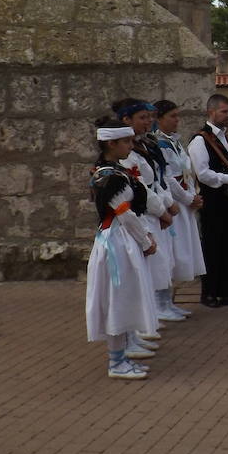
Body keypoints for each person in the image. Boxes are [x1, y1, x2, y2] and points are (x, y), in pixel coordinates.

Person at [86, 118, 159, 379]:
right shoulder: (108, 177)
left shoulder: (116, 171)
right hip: (117, 242)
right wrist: (145, 240)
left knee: (126, 296)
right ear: (111, 143)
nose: (131, 145)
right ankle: (116, 363)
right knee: (117, 298)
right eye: (126, 141)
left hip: (123, 239)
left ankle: (125, 351)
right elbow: (123, 213)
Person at [114, 98, 182, 336]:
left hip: (154, 211)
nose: (148, 122)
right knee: (146, 270)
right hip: (143, 214)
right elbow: (142, 188)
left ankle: (153, 314)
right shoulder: (126, 155)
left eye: (149, 117)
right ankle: (141, 325)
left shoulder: (144, 145)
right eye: (143, 117)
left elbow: (159, 179)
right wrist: (163, 209)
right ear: (126, 120)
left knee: (161, 265)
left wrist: (168, 203)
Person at [188, 93, 228, 307]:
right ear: (211, 112)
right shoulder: (200, 140)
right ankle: (209, 293)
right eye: (224, 111)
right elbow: (203, 173)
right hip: (212, 201)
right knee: (213, 247)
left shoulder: (224, 136)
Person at [152, 99, 203, 310]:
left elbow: (186, 173)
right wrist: (187, 198)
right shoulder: (158, 144)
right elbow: (168, 179)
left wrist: (194, 194)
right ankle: (160, 303)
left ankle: (168, 301)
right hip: (174, 204)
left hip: (185, 204)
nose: (177, 120)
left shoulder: (174, 141)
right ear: (159, 119)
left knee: (179, 252)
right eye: (172, 116)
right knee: (170, 253)